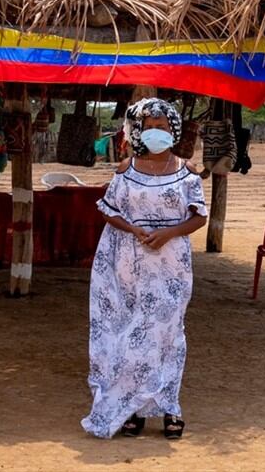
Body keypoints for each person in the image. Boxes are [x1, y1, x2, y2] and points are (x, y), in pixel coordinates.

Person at [81, 98, 208, 439]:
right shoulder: (125, 169)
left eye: (162, 127)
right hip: (126, 261)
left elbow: (198, 216)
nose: (156, 132)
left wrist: (168, 233)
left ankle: (169, 407)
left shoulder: (187, 171)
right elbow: (107, 209)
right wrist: (134, 229)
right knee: (127, 333)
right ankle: (133, 408)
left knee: (167, 334)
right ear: (138, 131)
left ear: (173, 130)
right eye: (149, 127)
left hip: (171, 265)